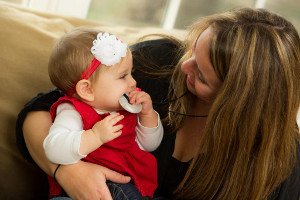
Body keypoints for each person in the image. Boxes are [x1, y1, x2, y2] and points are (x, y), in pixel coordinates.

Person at [16, 8, 300, 200]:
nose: (184, 66)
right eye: (192, 50)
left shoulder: (279, 165)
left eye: (201, 74)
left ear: (238, 100)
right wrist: (66, 171)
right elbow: (38, 112)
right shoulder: (159, 62)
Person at [41, 28, 163, 199]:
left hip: (131, 183)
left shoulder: (124, 109)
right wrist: (95, 136)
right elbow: (53, 149)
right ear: (87, 89)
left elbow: (149, 145)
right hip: (94, 189)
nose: (133, 82)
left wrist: (147, 115)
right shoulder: (73, 112)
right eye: (123, 76)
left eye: (131, 73)